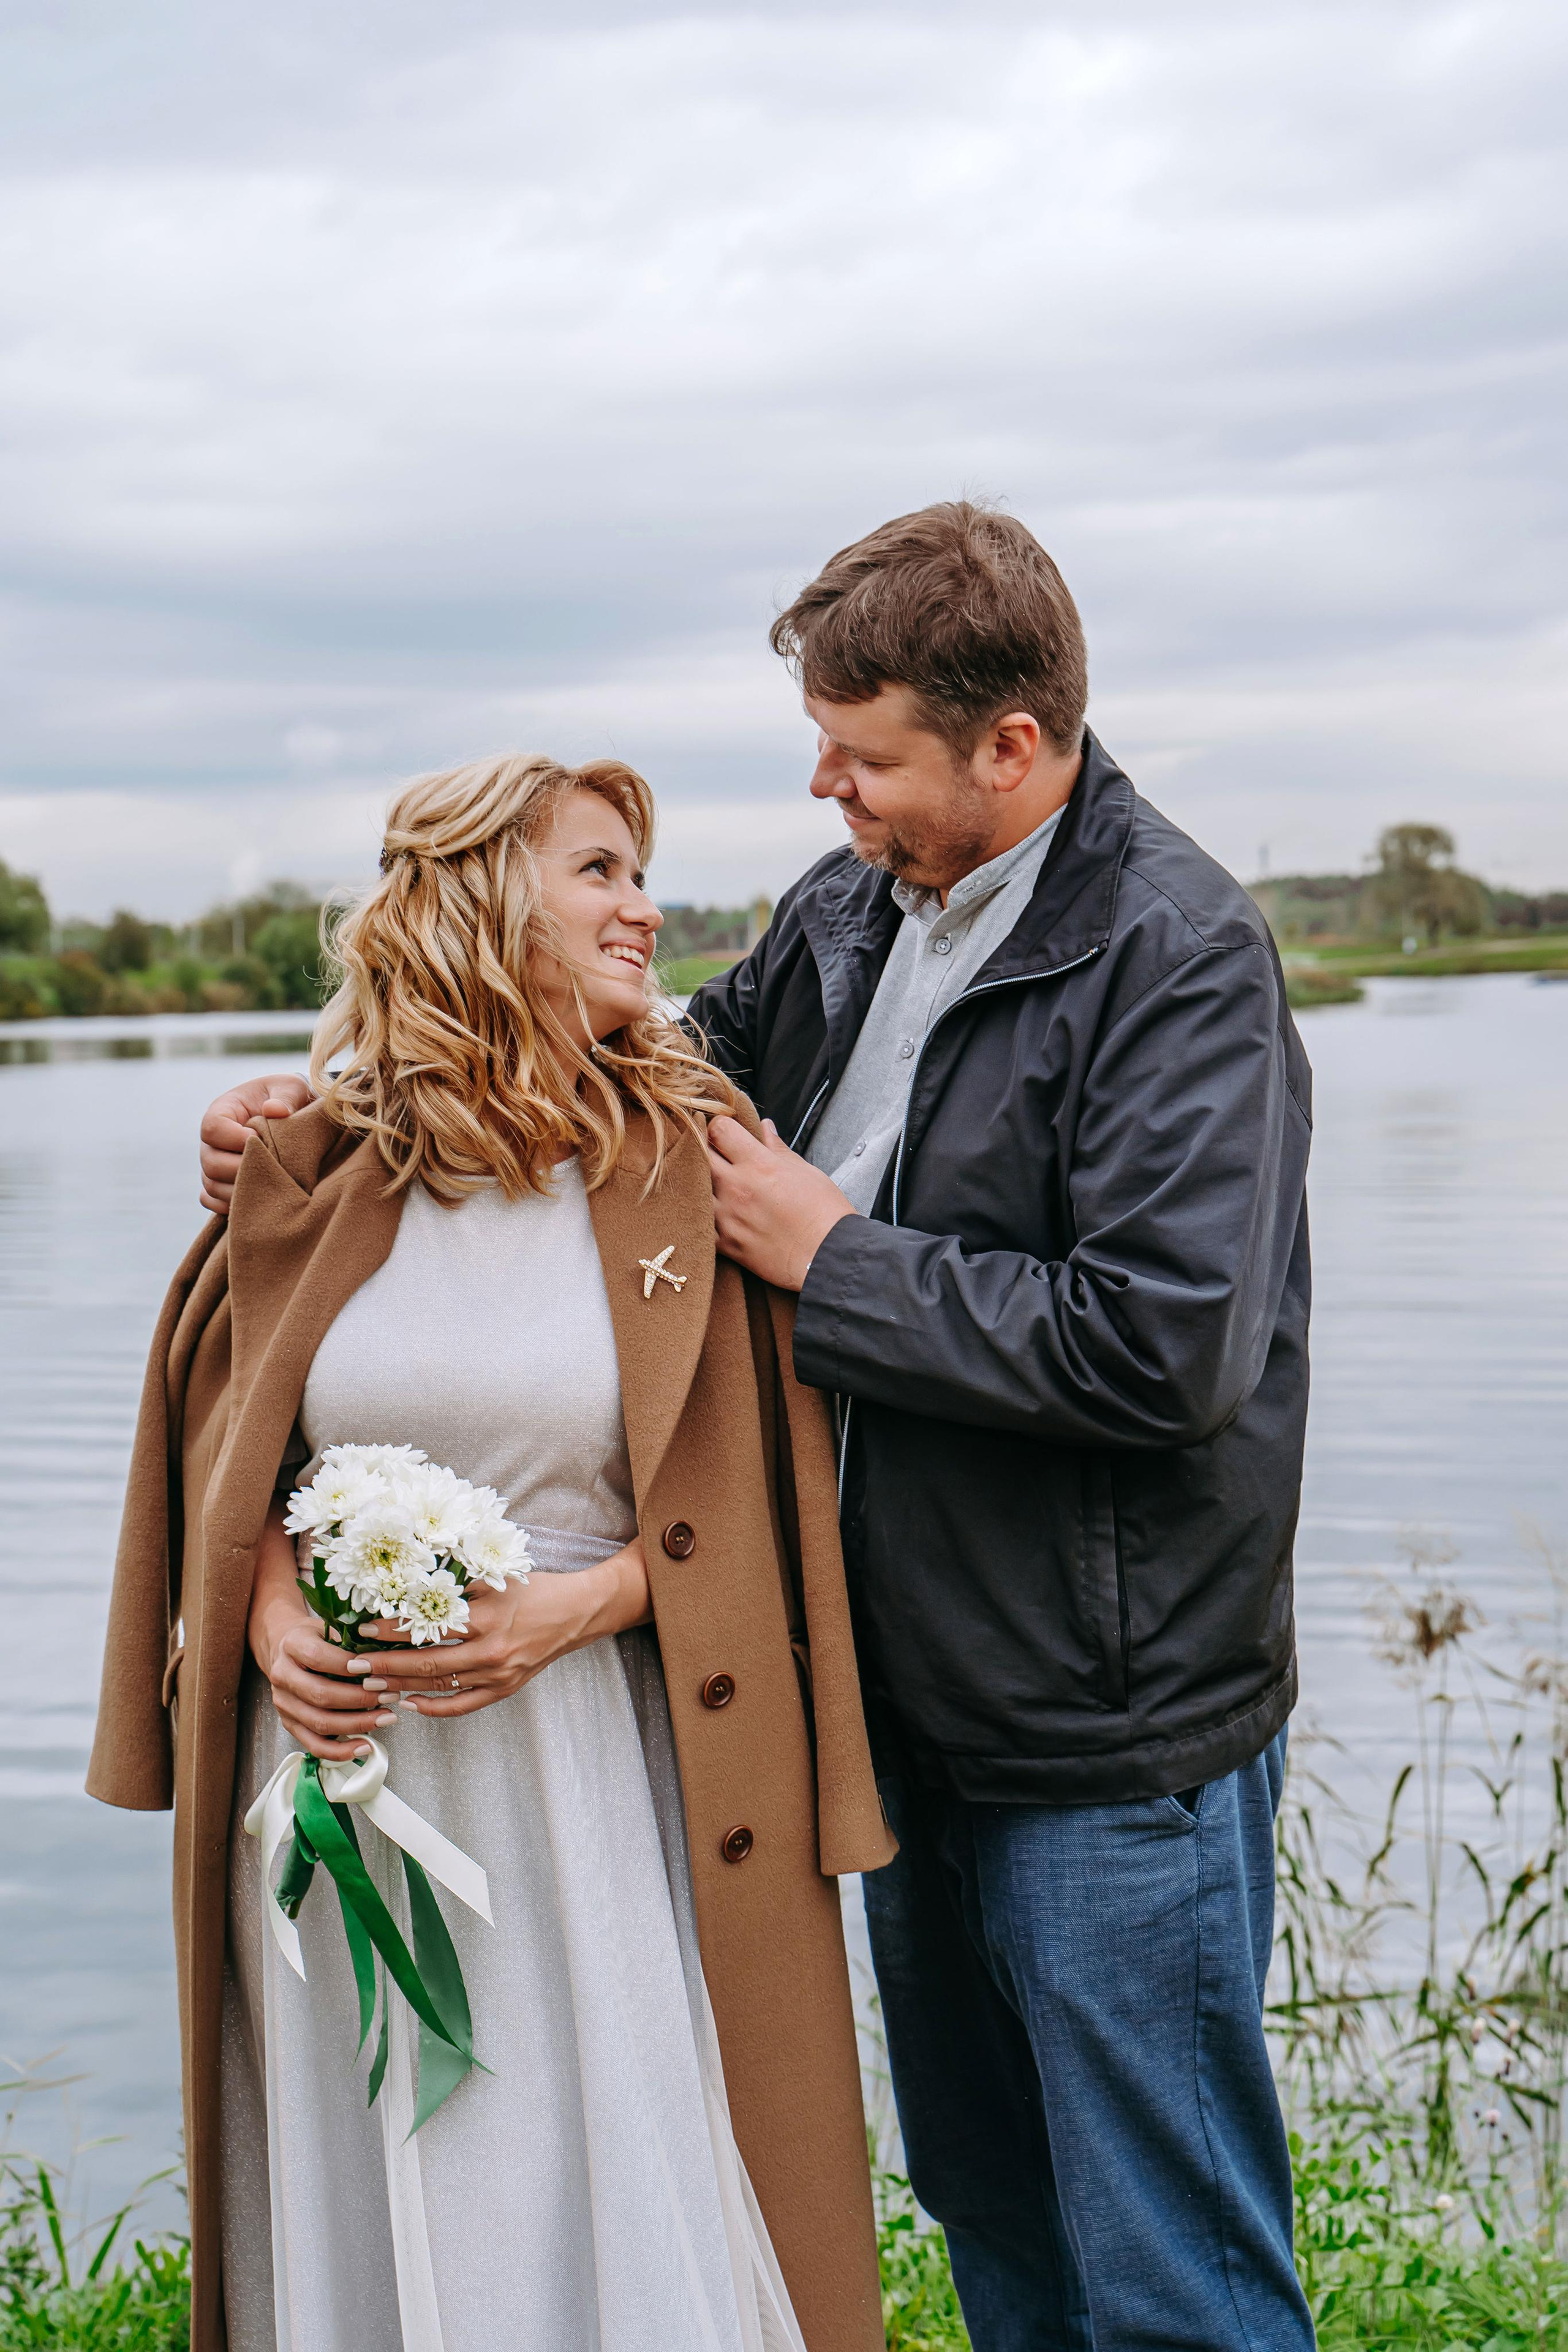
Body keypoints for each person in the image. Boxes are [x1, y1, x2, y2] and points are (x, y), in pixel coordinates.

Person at [196, 501, 1316, 2352]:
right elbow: (606, 1075)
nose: (826, 790)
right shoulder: (854, 915)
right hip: (896, 1708)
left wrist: (839, 1258)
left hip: (1111, 1733)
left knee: (1171, 2259)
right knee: (997, 2215)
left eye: (861, 754)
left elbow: (1169, 1347)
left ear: (1010, 747)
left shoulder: (1180, 956)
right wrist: (316, 1118)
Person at [89, 753, 895, 2352]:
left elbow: (771, 1493)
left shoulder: (685, 1146)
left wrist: (586, 1605)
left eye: (640, 873)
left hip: (594, 1778)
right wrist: (264, 1615)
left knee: (602, 2163)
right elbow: (237, 1436)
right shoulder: (322, 1158)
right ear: (478, 898)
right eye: (599, 869)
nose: (643, 906)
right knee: (379, 2188)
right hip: (344, 1792)